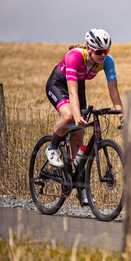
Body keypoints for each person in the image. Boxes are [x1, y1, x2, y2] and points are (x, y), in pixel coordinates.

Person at [45, 28, 123, 203]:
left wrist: (120, 113)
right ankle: (51, 148)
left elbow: (114, 91)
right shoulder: (74, 57)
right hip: (59, 84)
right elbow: (72, 94)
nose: (104, 55)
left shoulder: (107, 62)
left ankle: (80, 189)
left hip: (78, 86)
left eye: (106, 51)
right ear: (89, 48)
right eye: (100, 52)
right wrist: (76, 115)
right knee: (68, 117)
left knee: (78, 140)